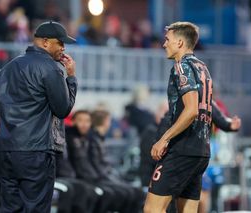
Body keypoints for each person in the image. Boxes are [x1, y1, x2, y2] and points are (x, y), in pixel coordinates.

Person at [0, 21, 78, 213]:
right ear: (46, 42)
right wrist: (71, 78)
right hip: (35, 150)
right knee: (36, 208)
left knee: (9, 208)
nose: (63, 48)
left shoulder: (7, 68)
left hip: (5, 149)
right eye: (61, 43)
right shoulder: (50, 68)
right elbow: (63, 109)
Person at [144, 22, 213, 213]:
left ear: (180, 43)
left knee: (152, 209)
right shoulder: (203, 68)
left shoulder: (181, 66)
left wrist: (163, 139)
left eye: (168, 40)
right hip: (201, 151)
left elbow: (191, 111)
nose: (164, 44)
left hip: (182, 149)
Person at [89, 110, 145, 213]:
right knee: (128, 192)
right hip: (100, 178)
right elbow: (97, 166)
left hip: (106, 176)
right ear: (106, 121)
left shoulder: (97, 138)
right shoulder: (93, 139)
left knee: (135, 191)